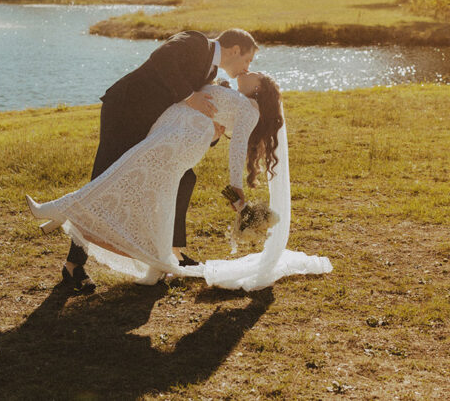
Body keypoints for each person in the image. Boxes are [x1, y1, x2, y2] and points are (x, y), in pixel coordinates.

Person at [26, 70, 283, 286]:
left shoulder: (251, 109)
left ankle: (57, 209)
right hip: (174, 130)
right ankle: (155, 268)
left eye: (255, 72)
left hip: (177, 137)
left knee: (122, 174)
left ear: (260, 87)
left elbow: (237, 148)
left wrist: (236, 187)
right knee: (159, 199)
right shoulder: (237, 98)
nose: (247, 70)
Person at [50, 28, 258, 293]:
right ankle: (73, 265)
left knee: (185, 177)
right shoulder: (196, 42)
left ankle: (171, 253)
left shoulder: (210, 73)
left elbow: (188, 113)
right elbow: (161, 58)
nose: (246, 67)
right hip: (125, 109)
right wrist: (191, 96)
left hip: (150, 126)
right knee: (104, 183)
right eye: (248, 60)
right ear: (236, 49)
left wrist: (213, 133)